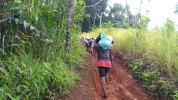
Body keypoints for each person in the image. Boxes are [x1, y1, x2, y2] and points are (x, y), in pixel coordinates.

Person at [94, 33, 114, 98]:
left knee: (102, 77)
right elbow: (111, 57)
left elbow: (95, 44)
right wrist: (111, 64)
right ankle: (104, 87)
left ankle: (105, 92)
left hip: (101, 62)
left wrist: (98, 37)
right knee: (104, 76)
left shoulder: (99, 47)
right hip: (108, 63)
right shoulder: (109, 48)